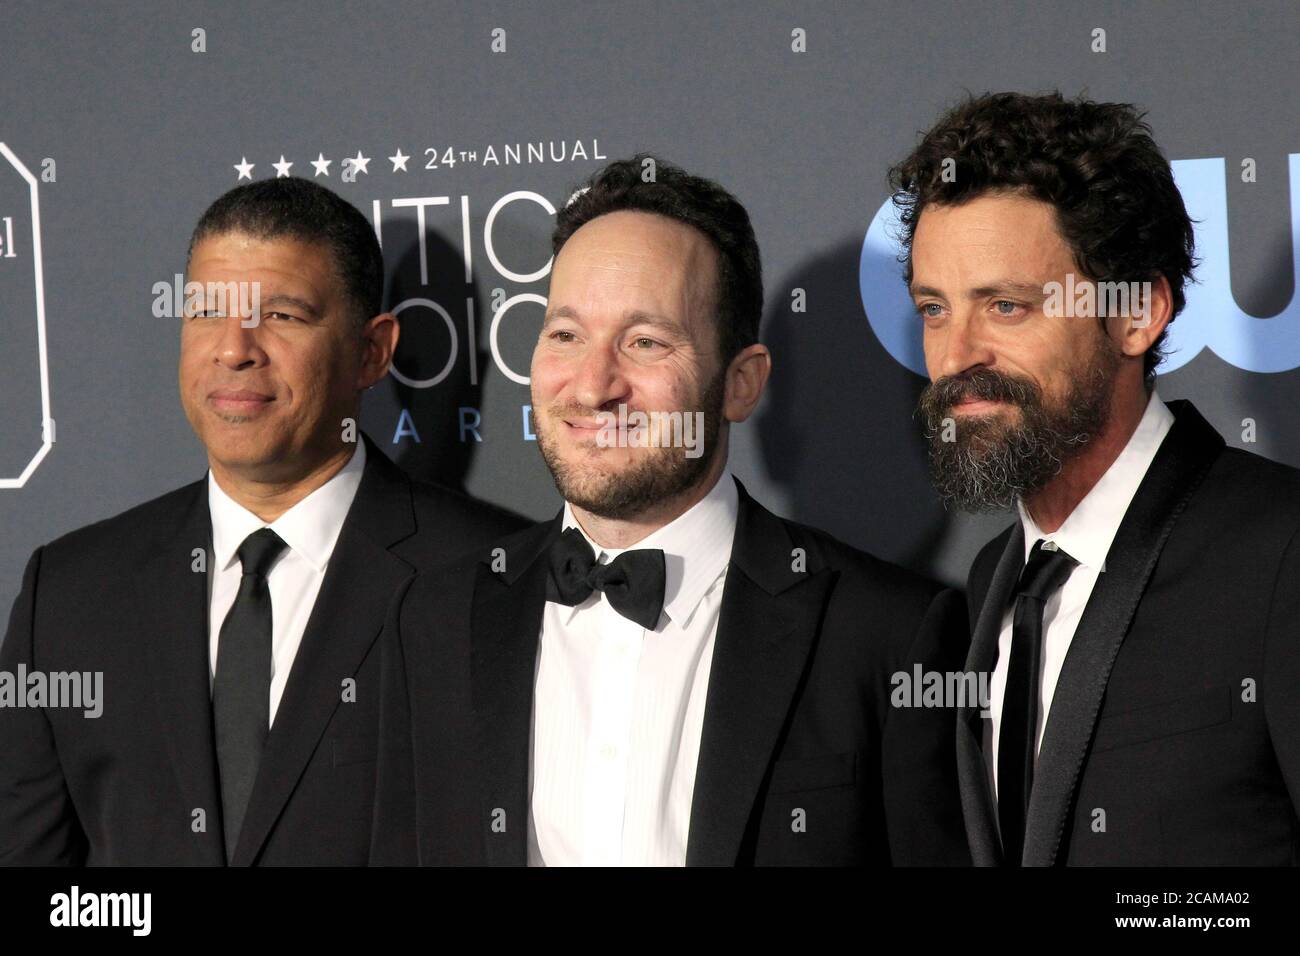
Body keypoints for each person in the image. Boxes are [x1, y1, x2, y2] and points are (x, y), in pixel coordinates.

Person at [371, 156, 969, 866]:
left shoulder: (887, 635)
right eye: (564, 335)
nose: (593, 386)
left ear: (741, 384)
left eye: (645, 342)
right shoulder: (435, 619)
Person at [0, 177, 524, 865]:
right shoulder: (69, 594)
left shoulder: (495, 578)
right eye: (208, 311)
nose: (234, 348)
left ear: (372, 352)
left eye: (281, 315)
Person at [895, 91, 1300, 865]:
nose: (956, 357)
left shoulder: (1281, 551)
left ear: (1136, 314)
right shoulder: (992, 584)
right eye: (934, 309)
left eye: (1006, 306)